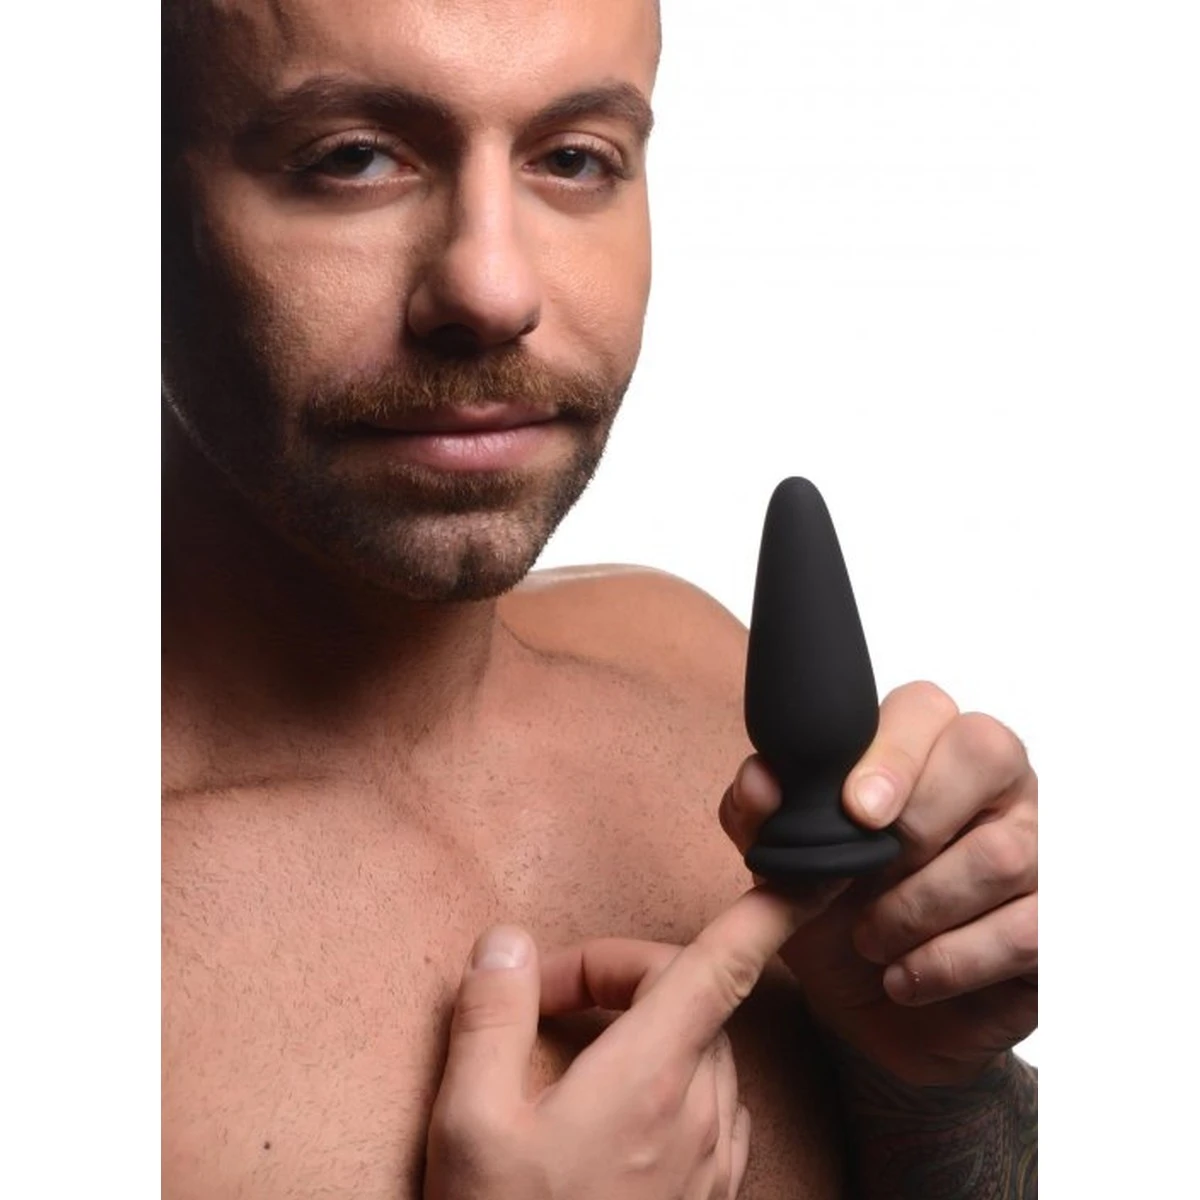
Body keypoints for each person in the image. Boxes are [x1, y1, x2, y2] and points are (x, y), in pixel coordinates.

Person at [161, 0, 1038, 1197]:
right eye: (353, 157)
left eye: (574, 158)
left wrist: (929, 1085)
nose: (491, 288)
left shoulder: (697, 679)